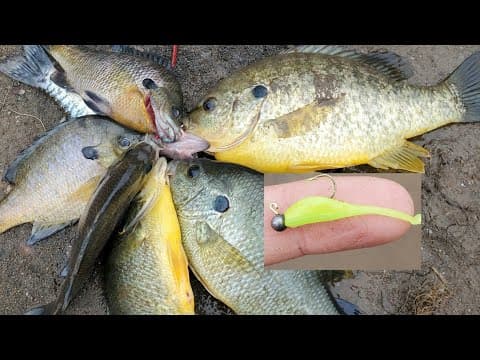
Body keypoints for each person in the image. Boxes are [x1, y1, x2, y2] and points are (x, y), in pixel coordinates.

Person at [264, 176, 416, 266]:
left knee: (369, 209)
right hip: (330, 209)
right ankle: (409, 218)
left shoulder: (291, 218)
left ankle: (409, 218)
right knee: (369, 209)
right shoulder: (292, 217)